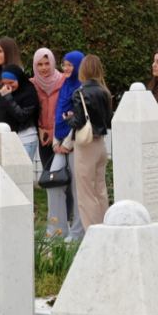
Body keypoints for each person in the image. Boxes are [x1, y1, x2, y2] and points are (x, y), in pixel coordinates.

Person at [68, 53, 113, 229]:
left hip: (85, 144)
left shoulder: (79, 93)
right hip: (100, 143)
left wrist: (69, 118)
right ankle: (106, 227)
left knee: (85, 193)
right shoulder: (105, 92)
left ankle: (93, 232)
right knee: (100, 190)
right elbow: (108, 120)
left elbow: (79, 121)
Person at [53, 51, 86, 240]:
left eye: (70, 65)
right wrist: (56, 142)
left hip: (75, 144)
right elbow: (59, 114)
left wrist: (67, 143)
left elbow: (78, 118)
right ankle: (56, 229)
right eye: (64, 64)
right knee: (53, 182)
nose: (65, 68)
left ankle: (77, 231)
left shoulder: (81, 88)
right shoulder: (65, 86)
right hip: (59, 143)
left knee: (77, 189)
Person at [0, 62, 38, 140]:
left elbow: (22, 116)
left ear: (19, 79)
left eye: (11, 82)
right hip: (7, 135)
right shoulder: (3, 90)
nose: (8, 86)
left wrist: (8, 97)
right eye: (5, 83)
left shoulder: (29, 93)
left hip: (25, 136)